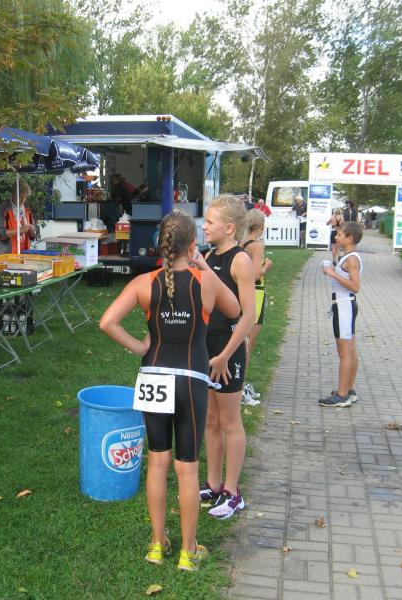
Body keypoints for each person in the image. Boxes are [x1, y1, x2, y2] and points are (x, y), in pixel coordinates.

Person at [100, 210, 239, 572]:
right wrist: (203, 266)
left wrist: (140, 347)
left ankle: (157, 544)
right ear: (193, 246)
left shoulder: (143, 283)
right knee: (187, 468)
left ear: (161, 245)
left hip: (153, 377)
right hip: (190, 380)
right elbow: (235, 308)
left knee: (157, 461)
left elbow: (107, 322)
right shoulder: (205, 282)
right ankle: (188, 551)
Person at [199, 194, 256, 520]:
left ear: (230, 228)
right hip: (208, 351)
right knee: (210, 419)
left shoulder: (240, 260)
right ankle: (213, 482)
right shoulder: (210, 255)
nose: (204, 226)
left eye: (210, 222)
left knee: (230, 421)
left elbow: (248, 316)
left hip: (227, 352)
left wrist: (224, 355)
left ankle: (233, 492)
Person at [319, 222, 364, 408]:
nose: (336, 237)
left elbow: (355, 286)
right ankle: (349, 389)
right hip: (344, 305)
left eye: (339, 234)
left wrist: (332, 273)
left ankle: (342, 394)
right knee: (350, 350)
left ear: (350, 238)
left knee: (344, 352)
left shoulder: (352, 259)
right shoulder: (349, 256)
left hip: (345, 305)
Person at [240, 209, 273, 407]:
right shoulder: (257, 245)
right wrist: (267, 264)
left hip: (244, 293)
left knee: (244, 340)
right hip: (256, 292)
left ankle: (240, 385)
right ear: (260, 227)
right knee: (248, 342)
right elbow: (256, 274)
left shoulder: (242, 243)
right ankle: (240, 387)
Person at [0, 180, 36, 255]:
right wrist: (19, 230)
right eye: (21, 197)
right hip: (4, 255)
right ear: (13, 195)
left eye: (25, 197)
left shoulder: (27, 210)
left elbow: (31, 236)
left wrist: (33, 232)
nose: (23, 200)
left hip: (22, 254)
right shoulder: (3, 209)